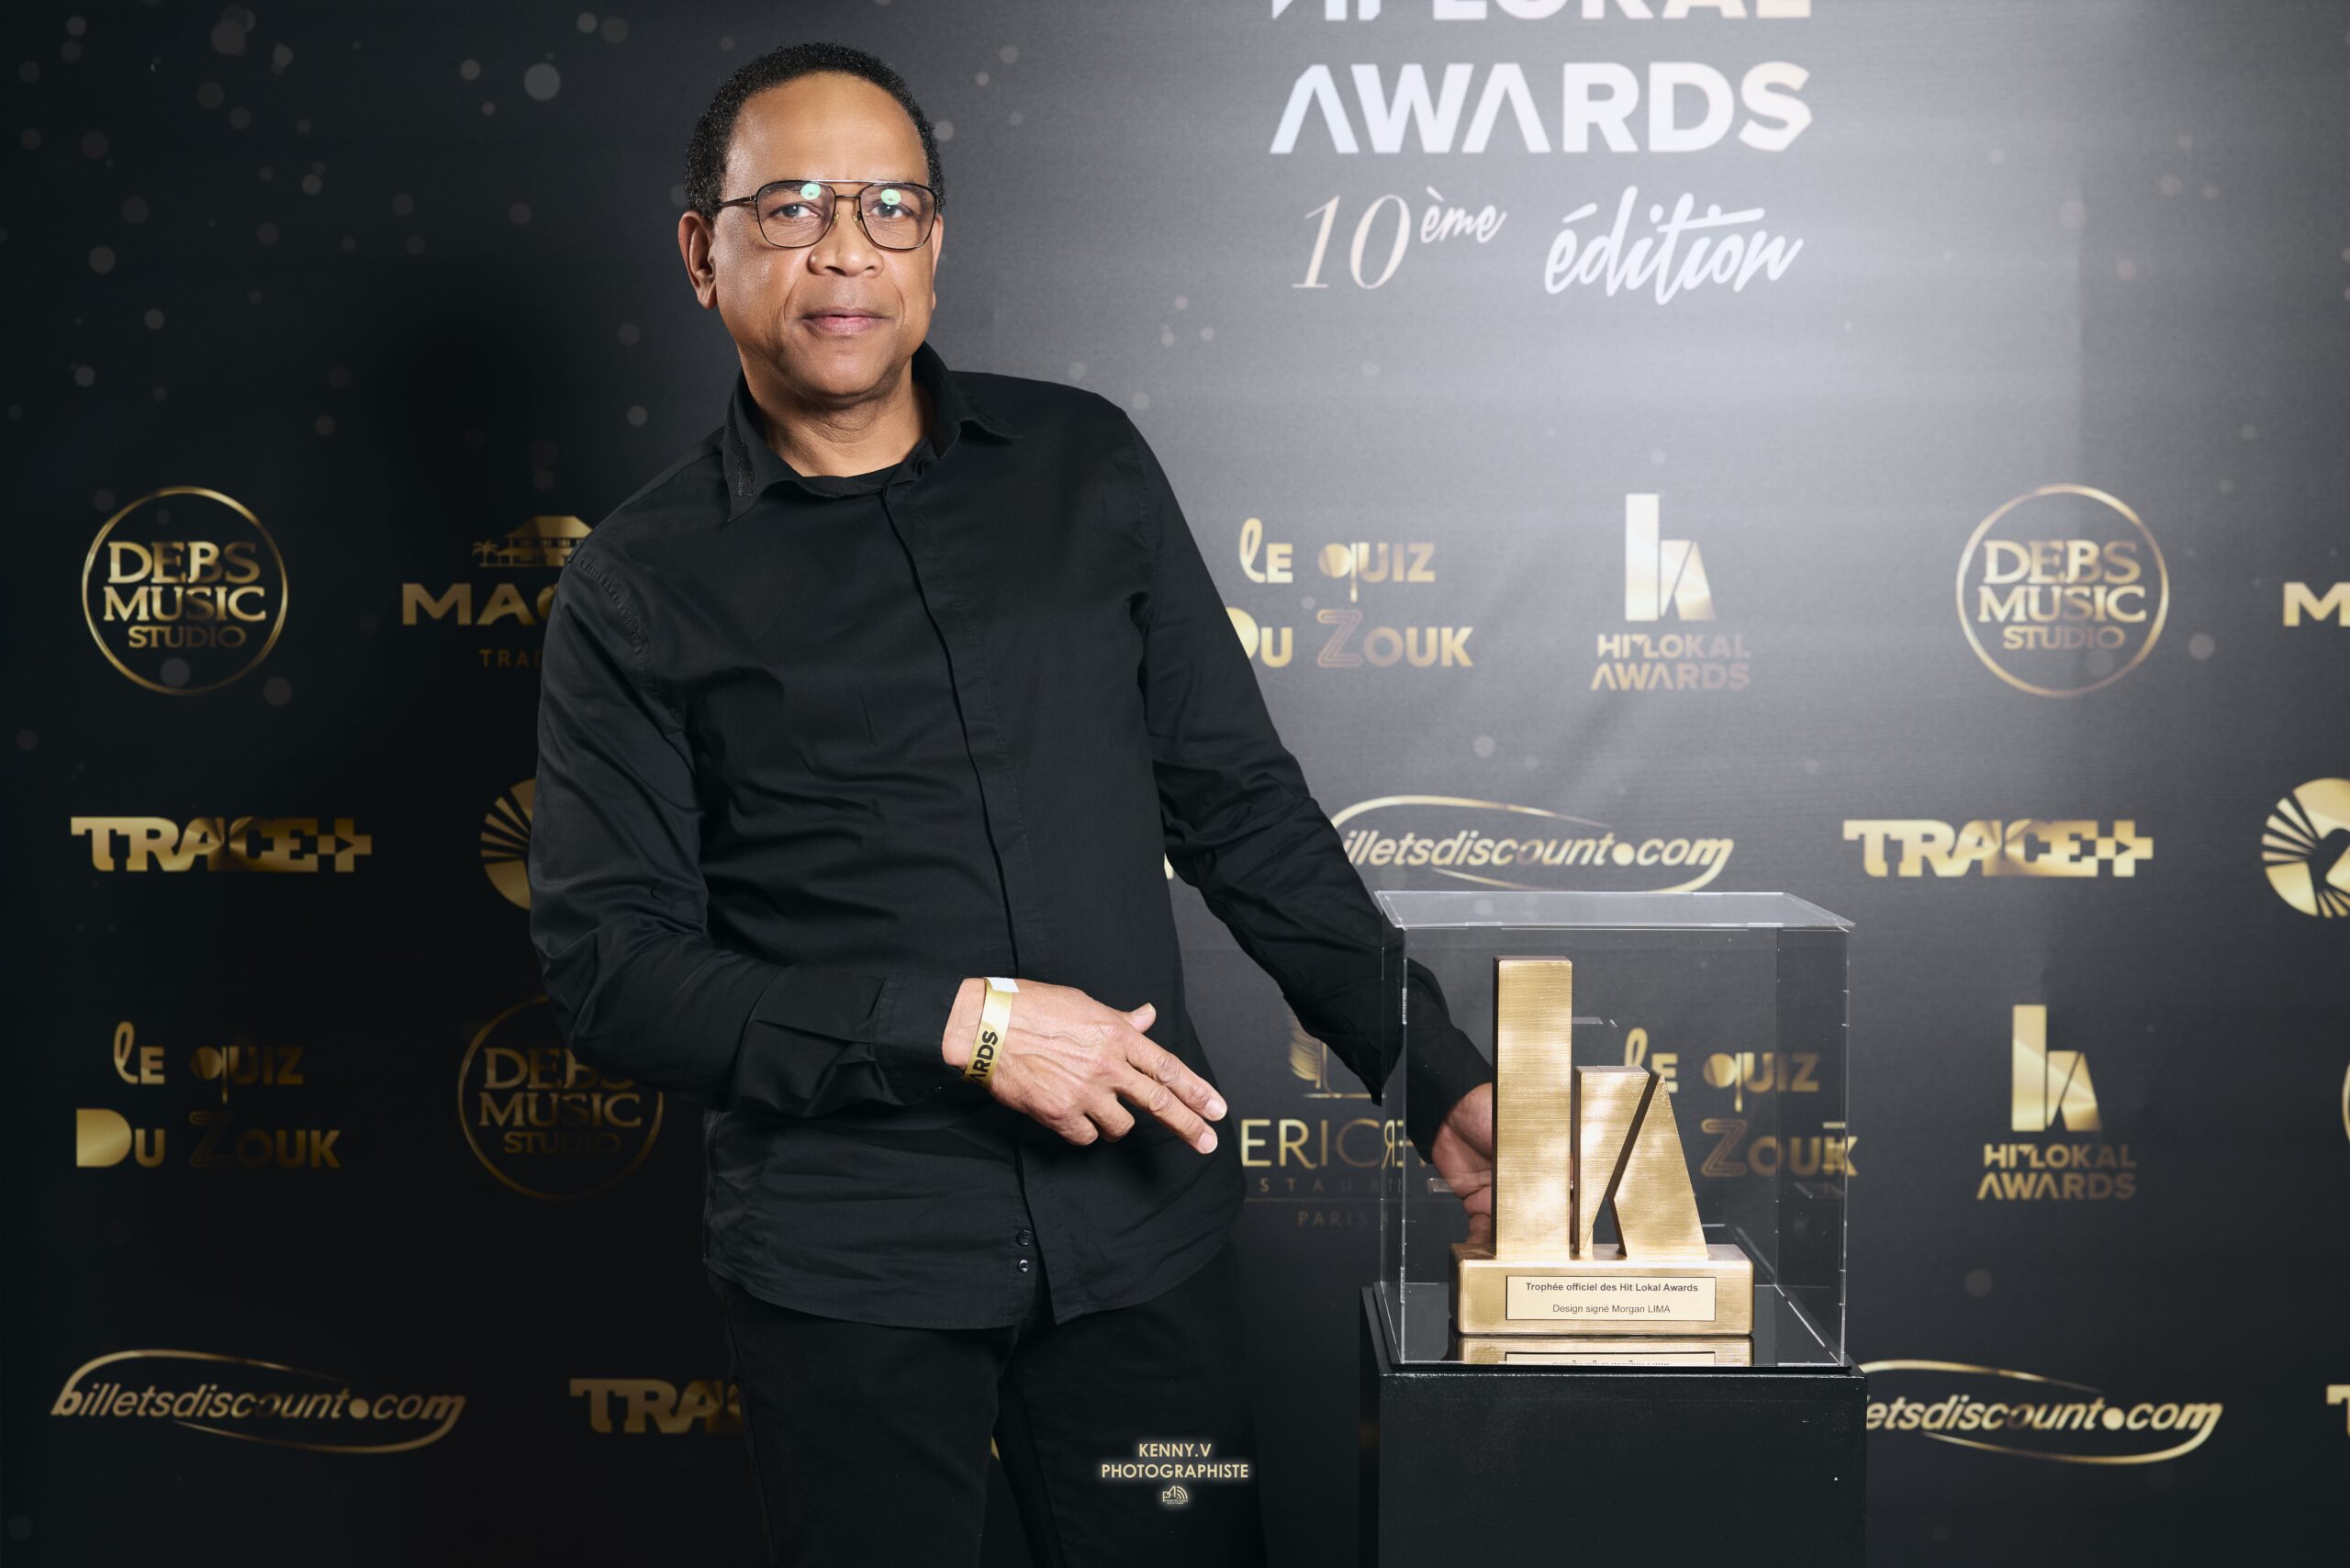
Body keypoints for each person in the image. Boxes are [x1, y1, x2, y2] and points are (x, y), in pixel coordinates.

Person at [526, 39, 1496, 1568]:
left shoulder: (1084, 466)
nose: (846, 249)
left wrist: (1432, 1074)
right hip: (852, 1281)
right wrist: (962, 1025)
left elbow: (1240, 809)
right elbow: (614, 975)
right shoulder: (635, 584)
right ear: (702, 254)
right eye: (790, 208)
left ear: (935, 244)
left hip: (1143, 1250)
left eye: (890, 206)